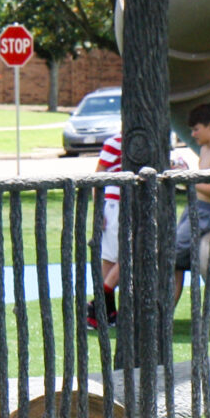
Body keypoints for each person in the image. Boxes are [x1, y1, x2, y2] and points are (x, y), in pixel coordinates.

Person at [171, 103, 210, 301]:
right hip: (194, 210)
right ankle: (163, 315)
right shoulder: (205, 149)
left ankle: (162, 315)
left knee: (171, 256)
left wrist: (187, 179)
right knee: (174, 261)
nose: (194, 134)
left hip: (207, 213)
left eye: (196, 129)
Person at [87, 130, 122, 331]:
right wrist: (98, 209)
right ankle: (99, 304)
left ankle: (107, 311)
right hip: (116, 203)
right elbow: (99, 176)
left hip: (114, 204)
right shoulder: (116, 142)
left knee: (110, 260)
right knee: (127, 255)